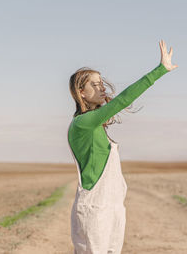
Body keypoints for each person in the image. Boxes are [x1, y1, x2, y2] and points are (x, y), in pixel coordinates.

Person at [67, 39, 178, 253]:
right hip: (95, 209)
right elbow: (122, 101)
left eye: (102, 83)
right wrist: (160, 70)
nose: (101, 88)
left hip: (111, 206)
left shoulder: (94, 124)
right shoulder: (83, 124)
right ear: (81, 92)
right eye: (94, 84)